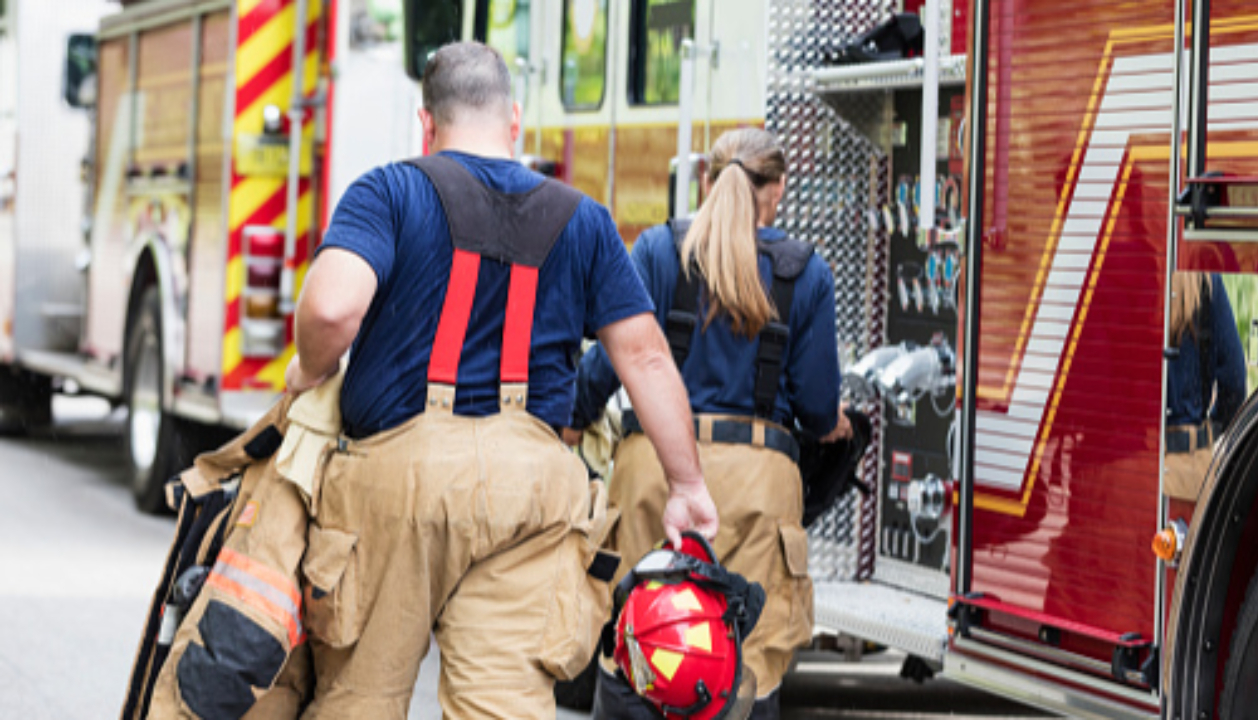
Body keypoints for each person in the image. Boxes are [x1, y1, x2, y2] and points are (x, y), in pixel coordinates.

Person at [283, 41, 718, 719]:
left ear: (426, 124)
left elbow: (334, 307)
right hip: (532, 493)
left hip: (399, 484)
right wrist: (687, 485)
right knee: (503, 708)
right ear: (513, 117)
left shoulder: (389, 190)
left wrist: (306, 371)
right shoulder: (585, 219)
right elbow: (647, 359)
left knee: (359, 702)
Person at [566, 128, 851, 719]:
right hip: (758, 485)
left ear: (705, 180)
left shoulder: (655, 250)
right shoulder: (807, 273)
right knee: (745, 665)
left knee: (641, 640)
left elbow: (613, 361)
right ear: (776, 192)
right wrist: (837, 426)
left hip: (656, 471)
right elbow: (819, 408)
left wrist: (572, 423)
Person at [1164, 272, 1246, 501]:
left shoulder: (1122, 267)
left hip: (1127, 459)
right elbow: (1235, 380)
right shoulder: (1206, 281)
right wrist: (1209, 432)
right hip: (1188, 464)